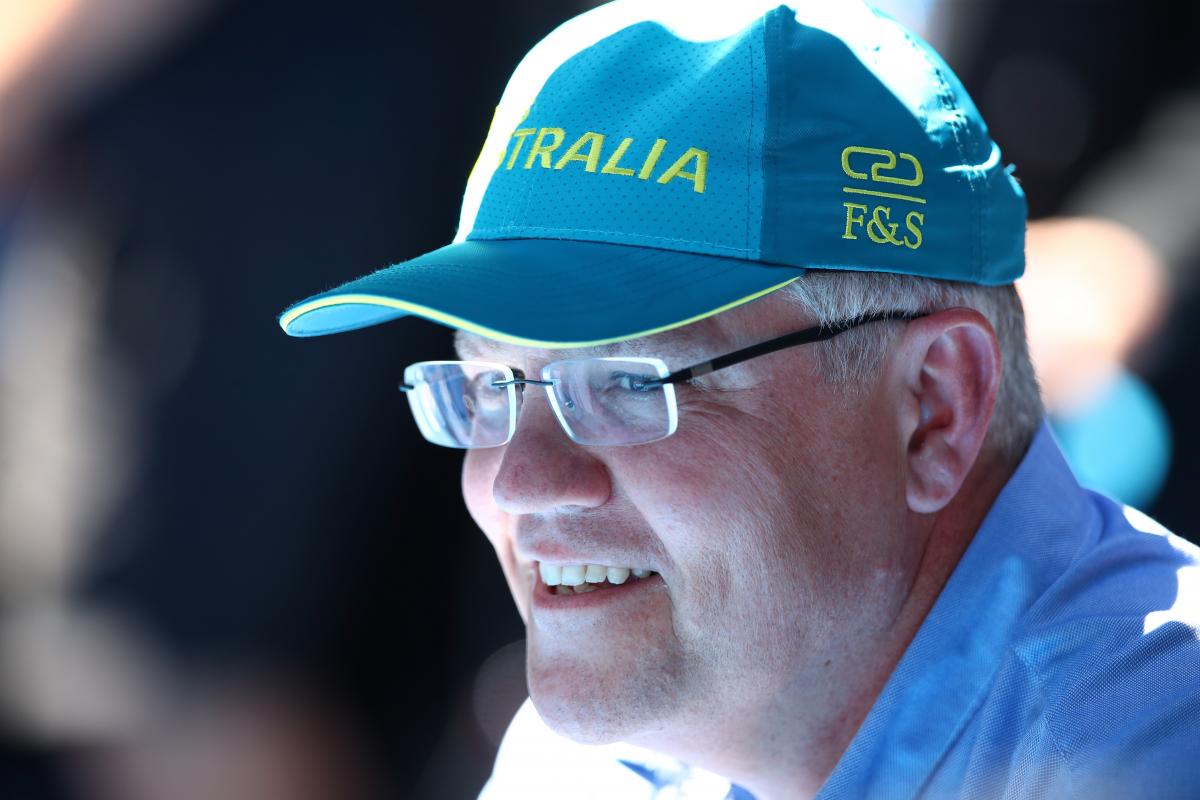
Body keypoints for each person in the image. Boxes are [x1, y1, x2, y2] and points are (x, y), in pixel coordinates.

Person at [278, 1, 1200, 797]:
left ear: (935, 408)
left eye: (625, 386)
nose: (519, 481)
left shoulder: (1155, 744)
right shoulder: (588, 764)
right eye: (489, 385)